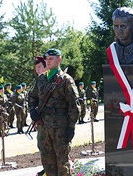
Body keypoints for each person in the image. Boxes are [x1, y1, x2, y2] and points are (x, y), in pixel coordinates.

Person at [28, 48, 81, 176]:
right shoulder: (40, 79)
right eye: (46, 59)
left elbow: (74, 105)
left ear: (59, 60)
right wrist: (32, 110)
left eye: (51, 58)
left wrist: (71, 126)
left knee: (62, 162)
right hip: (43, 126)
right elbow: (32, 97)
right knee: (47, 160)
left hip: (60, 127)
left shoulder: (66, 80)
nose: (48, 61)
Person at [33, 55, 47, 176]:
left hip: (54, 121)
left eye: (39, 67)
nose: (37, 70)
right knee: (42, 145)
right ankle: (46, 168)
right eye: (36, 67)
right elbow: (34, 99)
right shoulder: (38, 81)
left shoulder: (54, 80)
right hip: (42, 120)